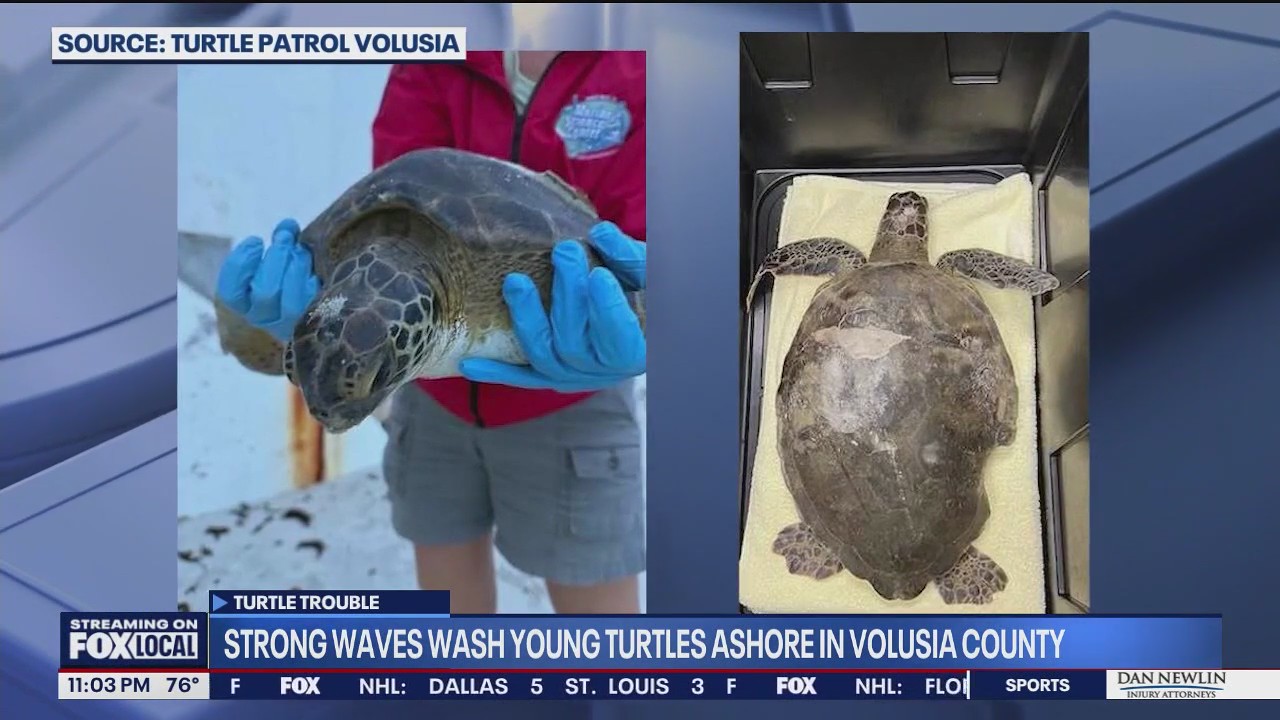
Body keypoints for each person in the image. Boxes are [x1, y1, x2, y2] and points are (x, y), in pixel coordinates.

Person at [216, 51, 647, 614]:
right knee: (447, 587)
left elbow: (653, 246)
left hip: (571, 404)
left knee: (603, 628)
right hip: (433, 404)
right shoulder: (433, 54)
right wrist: (280, 340)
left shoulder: (641, 65)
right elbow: (397, 200)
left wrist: (655, 320)